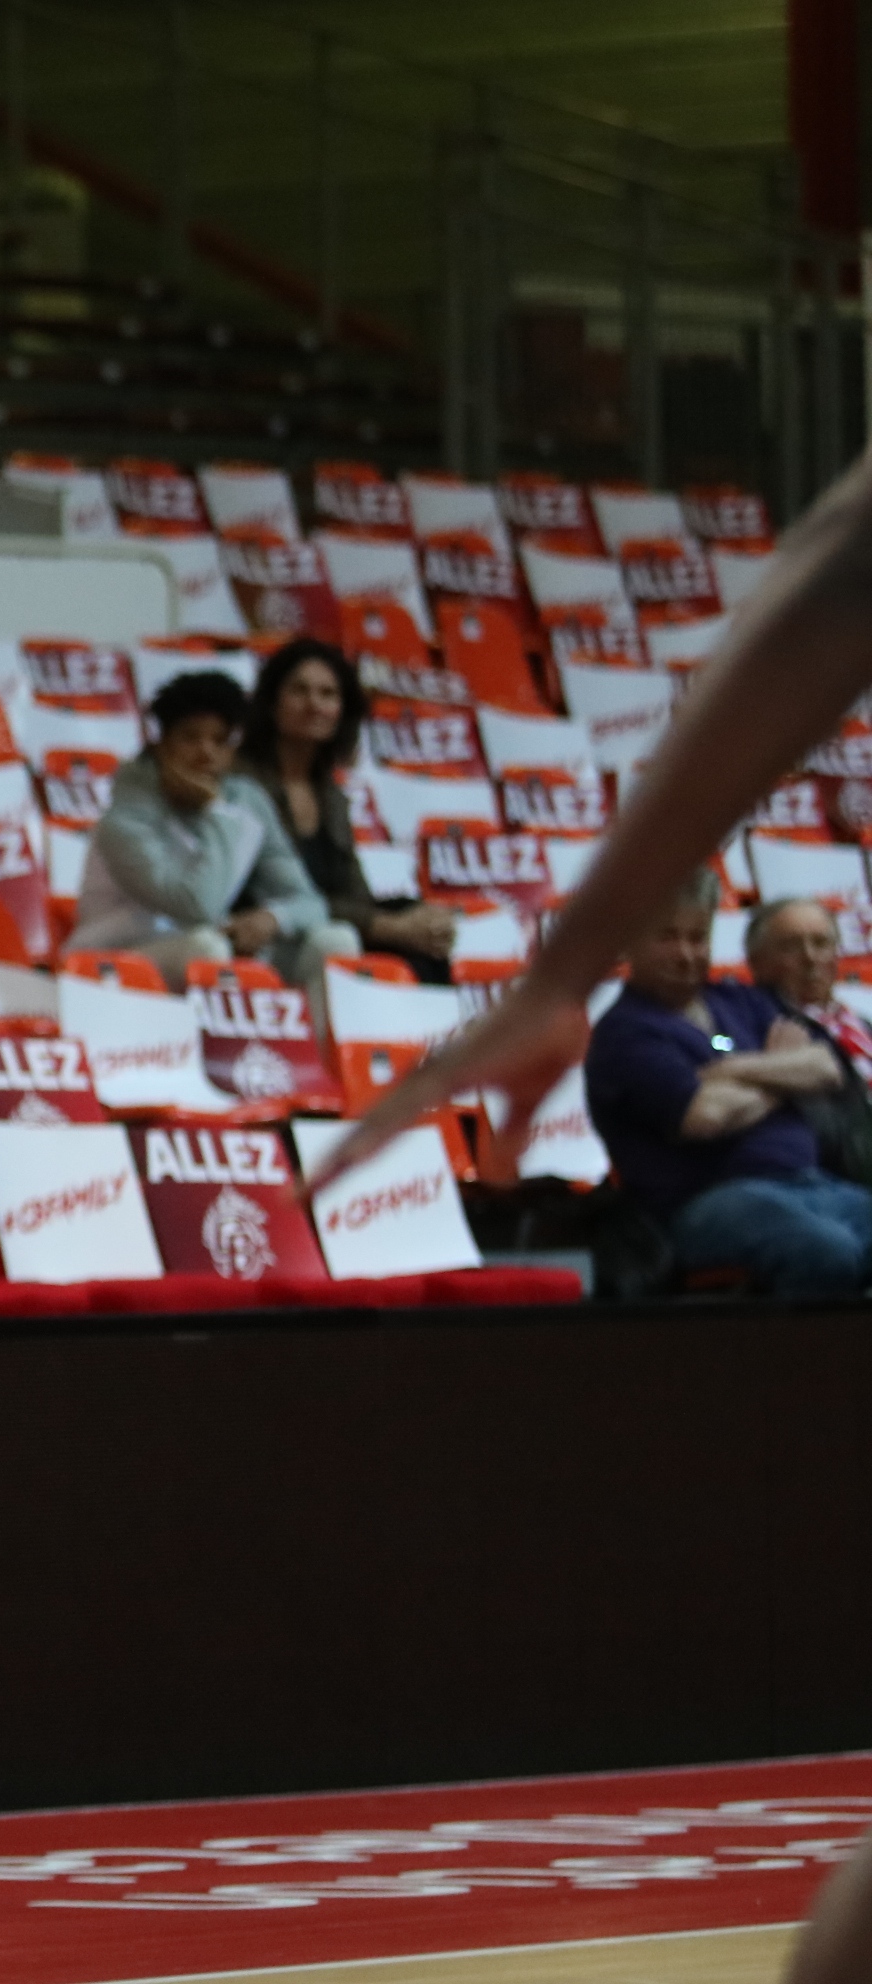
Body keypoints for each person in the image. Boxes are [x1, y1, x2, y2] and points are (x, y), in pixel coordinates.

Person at [315, 449, 872, 1984]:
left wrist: (570, 966)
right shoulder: (668, 1029)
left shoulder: (742, 1012)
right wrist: (570, 972)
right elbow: (848, 558)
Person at [582, 869, 865, 1293]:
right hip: (706, 1203)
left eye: (697, 938)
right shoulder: (626, 1032)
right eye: (668, 937)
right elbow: (705, 1116)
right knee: (829, 1251)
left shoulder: (738, 1000)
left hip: (810, 1182)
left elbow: (824, 1067)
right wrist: (780, 1071)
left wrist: (731, 1070)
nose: (686, 953)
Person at [66, 668, 362, 985]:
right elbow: (198, 906)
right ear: (161, 744)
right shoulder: (125, 818)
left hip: (205, 943)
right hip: (110, 957)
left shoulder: (246, 801)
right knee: (207, 950)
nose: (206, 752)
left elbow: (310, 902)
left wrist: (273, 919)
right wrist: (214, 811)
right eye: (191, 737)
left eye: (220, 740)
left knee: (336, 940)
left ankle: (319, 1036)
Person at [238, 637, 460, 981]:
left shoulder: (331, 793)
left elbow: (354, 891)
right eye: (300, 690)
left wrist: (408, 922)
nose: (314, 704)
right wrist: (389, 928)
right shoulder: (244, 783)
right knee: (372, 935)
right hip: (274, 926)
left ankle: (433, 1034)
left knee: (419, 925)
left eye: (328, 694)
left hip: (332, 918)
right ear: (271, 702)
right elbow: (284, 894)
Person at [743, 895, 872, 1184]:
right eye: (791, 946)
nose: (811, 958)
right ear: (756, 962)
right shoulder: (758, 1032)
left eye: (821, 943)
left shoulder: (862, 1024)